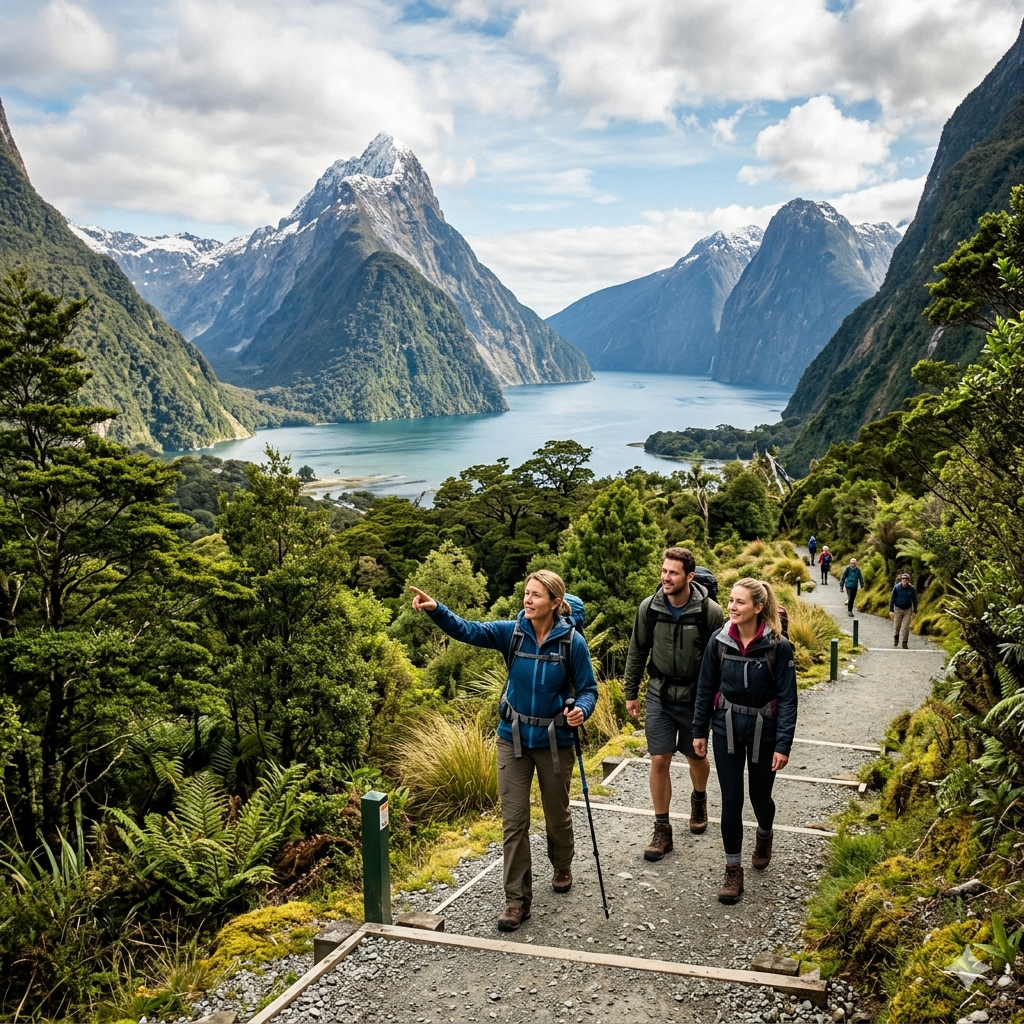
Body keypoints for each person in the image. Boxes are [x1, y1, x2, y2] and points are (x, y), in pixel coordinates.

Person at [409, 570, 597, 933]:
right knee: (514, 822)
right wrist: (437, 609)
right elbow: (469, 629)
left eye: (536, 595)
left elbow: (588, 689)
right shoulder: (512, 632)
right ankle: (516, 901)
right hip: (512, 738)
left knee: (557, 815)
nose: (528, 600)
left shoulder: (572, 643)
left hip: (554, 742)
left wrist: (581, 710)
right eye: (526, 593)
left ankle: (562, 863)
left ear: (555, 603)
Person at [692, 578, 797, 904]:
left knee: (760, 797)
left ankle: (764, 833)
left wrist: (783, 745)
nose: (732, 607)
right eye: (731, 601)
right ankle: (733, 870)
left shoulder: (778, 646)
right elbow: (705, 687)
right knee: (732, 799)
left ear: (758, 607)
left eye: (739, 602)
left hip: (764, 731)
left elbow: (788, 699)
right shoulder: (719, 641)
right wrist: (699, 731)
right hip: (726, 728)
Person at [624, 548, 725, 860]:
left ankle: (698, 798)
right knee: (659, 760)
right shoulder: (649, 608)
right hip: (660, 693)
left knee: (696, 755)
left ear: (689, 577)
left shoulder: (710, 612)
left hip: (697, 697)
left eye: (673, 573)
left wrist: (718, 701)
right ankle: (662, 830)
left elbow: (718, 661)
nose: (666, 578)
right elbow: (637, 650)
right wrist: (631, 692)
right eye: (664, 571)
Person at [889, 572, 918, 649]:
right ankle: (896, 638)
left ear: (908, 581)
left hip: (907, 610)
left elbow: (915, 600)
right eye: (903, 579)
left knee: (906, 627)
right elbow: (892, 599)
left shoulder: (912, 589)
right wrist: (891, 610)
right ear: (901, 580)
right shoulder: (896, 588)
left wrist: (915, 610)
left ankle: (904, 642)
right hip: (898, 609)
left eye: (906, 579)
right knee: (897, 626)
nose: (904, 581)